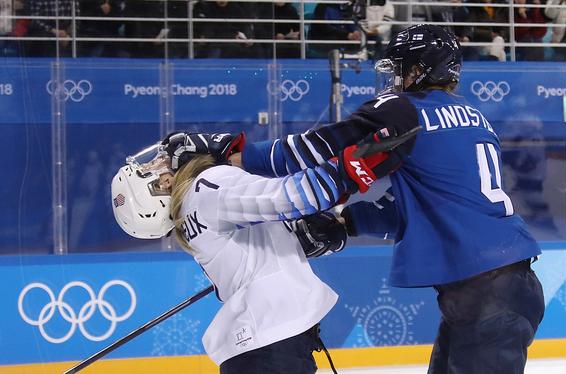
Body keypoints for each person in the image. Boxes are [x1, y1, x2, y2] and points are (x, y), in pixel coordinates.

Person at [171, 24, 545, 373]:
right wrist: (346, 223)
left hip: (486, 293)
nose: (396, 79)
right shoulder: (474, 117)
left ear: (422, 70)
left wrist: (233, 152)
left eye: (402, 69)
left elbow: (310, 150)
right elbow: (424, 208)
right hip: (501, 283)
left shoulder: (404, 110)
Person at [111, 128, 411, 373]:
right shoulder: (205, 186)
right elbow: (292, 197)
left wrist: (301, 236)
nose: (159, 164)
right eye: (150, 169)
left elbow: (260, 238)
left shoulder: (190, 215)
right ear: (159, 184)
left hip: (259, 348)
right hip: (270, 348)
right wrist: (355, 164)